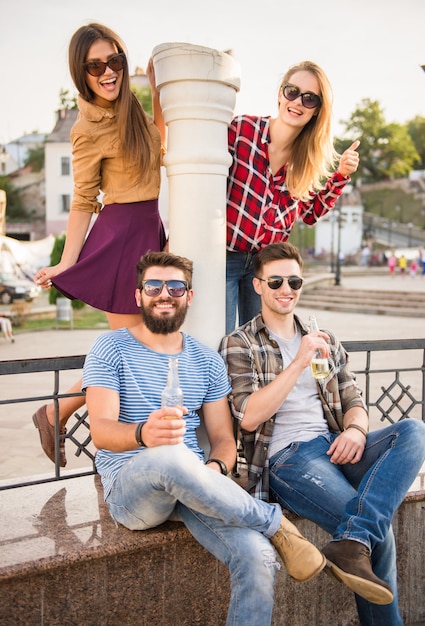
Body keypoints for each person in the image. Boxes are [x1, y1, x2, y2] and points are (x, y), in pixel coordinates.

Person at [82, 250, 326, 626]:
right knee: (170, 456)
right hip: (132, 490)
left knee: (258, 558)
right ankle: (276, 524)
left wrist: (213, 469)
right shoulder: (110, 347)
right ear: (138, 295)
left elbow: (223, 440)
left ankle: (266, 534)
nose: (165, 294)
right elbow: (100, 432)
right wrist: (143, 433)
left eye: (176, 286)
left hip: (195, 485)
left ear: (189, 296)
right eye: (154, 286)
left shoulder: (206, 361)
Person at [219, 241, 425, 625]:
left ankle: (352, 540)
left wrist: (357, 432)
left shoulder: (321, 336)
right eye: (276, 281)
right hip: (288, 458)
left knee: (414, 430)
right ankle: (358, 541)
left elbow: (355, 401)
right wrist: (298, 361)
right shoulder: (240, 343)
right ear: (258, 286)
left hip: (336, 446)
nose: (286, 289)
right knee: (379, 537)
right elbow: (248, 416)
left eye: (294, 281)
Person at [32, 23, 167, 467]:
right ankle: (66, 416)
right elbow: (83, 201)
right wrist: (66, 265)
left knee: (140, 349)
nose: (107, 72)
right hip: (121, 234)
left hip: (149, 231)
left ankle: (69, 417)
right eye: (95, 65)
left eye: (115, 61)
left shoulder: (134, 110)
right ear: (81, 72)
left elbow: (162, 148)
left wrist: (161, 95)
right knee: (132, 348)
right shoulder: (85, 128)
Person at [225, 60, 360, 333]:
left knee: (261, 345)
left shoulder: (306, 162)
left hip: (267, 268)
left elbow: (310, 214)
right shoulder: (241, 131)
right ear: (280, 94)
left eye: (309, 98)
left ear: (317, 110)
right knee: (220, 339)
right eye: (292, 91)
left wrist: (341, 175)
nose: (298, 101)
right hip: (224, 258)